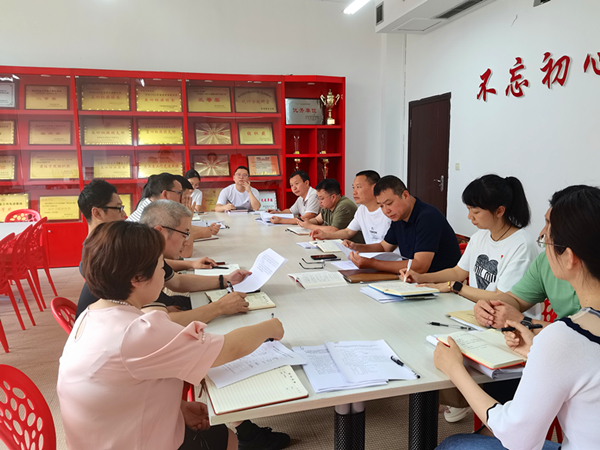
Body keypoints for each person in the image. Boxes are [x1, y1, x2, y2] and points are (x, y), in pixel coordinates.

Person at [57, 220, 284, 450]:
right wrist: (270, 327)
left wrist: (178, 407)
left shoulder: (91, 313)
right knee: (226, 439)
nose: (164, 274)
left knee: (219, 432)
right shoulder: (138, 331)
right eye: (160, 268)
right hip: (128, 442)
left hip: (103, 434)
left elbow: (116, 388)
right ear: (137, 278)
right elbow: (228, 349)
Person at [435, 185, 600, 450]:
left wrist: (454, 369)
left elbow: (518, 439)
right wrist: (536, 349)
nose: (542, 235)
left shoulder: (567, 337)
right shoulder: (570, 332)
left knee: (455, 445)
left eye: (549, 230)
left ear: (569, 257)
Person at [76, 200, 250, 321]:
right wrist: (219, 308)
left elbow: (177, 281)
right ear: (160, 232)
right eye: (185, 233)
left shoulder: (147, 249)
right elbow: (161, 323)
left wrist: (226, 279)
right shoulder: (138, 256)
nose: (186, 241)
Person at [400, 175, 539, 303]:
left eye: (476, 211)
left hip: (507, 317)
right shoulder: (480, 236)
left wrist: (455, 286)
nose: (470, 216)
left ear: (499, 211)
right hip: (477, 310)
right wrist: (420, 277)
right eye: (469, 209)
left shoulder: (521, 245)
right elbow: (458, 272)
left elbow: (502, 298)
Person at [473, 186, 585, 331]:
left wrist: (524, 322)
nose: (543, 233)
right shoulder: (546, 261)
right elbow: (516, 298)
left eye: (549, 224)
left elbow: (585, 335)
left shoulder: (522, 243)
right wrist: (490, 306)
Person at [346, 175, 461, 273]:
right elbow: (384, 247)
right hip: (414, 279)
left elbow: (420, 266)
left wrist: (373, 264)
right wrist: (356, 247)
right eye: (381, 206)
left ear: (405, 196)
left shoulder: (428, 217)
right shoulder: (399, 217)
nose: (386, 211)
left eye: (389, 203)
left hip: (440, 282)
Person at [309, 170, 390, 244]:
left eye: (358, 187)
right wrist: (325, 235)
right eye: (353, 188)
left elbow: (385, 247)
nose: (354, 192)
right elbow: (348, 232)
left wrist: (357, 247)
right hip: (367, 253)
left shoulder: (388, 211)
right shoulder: (361, 209)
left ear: (374, 187)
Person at [296, 178, 364, 243]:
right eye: (318, 198)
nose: (319, 201)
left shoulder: (344, 206)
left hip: (353, 245)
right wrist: (306, 222)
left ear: (333, 197)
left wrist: (309, 226)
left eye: (321, 198)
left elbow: (334, 230)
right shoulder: (327, 205)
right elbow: (317, 220)